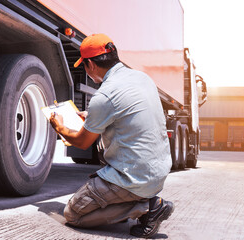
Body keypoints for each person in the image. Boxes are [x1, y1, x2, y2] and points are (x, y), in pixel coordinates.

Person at [49, 33, 174, 238]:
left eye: (84, 65)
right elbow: (128, 113)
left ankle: (147, 208)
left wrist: (60, 127)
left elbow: (82, 142)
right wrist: (92, 116)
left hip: (134, 178)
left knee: (73, 214)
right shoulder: (142, 78)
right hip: (157, 174)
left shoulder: (105, 96)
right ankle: (142, 201)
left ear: (90, 64)